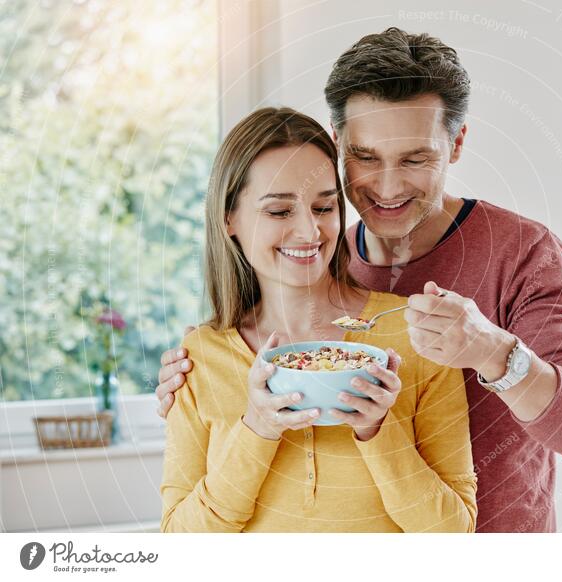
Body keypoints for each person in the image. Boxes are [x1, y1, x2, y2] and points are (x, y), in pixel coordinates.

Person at [158, 28, 562, 533]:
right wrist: (201, 384)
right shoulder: (314, 260)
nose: (388, 187)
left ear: (457, 143)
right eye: (366, 157)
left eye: (416, 159)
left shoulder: (524, 253)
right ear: (338, 145)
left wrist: (492, 351)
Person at [159, 106, 477, 532]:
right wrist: (257, 427)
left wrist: (377, 431)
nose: (310, 232)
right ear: (228, 218)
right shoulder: (198, 357)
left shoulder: (414, 336)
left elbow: (454, 534)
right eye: (279, 211)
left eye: (324, 207)